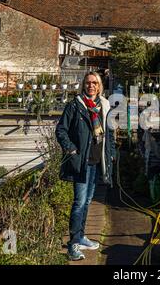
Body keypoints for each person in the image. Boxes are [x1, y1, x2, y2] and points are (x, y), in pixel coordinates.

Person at [55, 72, 114, 261]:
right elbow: (61, 129)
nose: (91, 86)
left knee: (88, 201)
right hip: (81, 162)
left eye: (94, 83)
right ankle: (73, 244)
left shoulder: (103, 105)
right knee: (79, 202)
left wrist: (111, 154)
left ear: (99, 86)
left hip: (97, 162)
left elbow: (109, 134)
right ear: (84, 85)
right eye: (88, 83)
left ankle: (80, 236)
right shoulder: (75, 105)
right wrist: (71, 149)